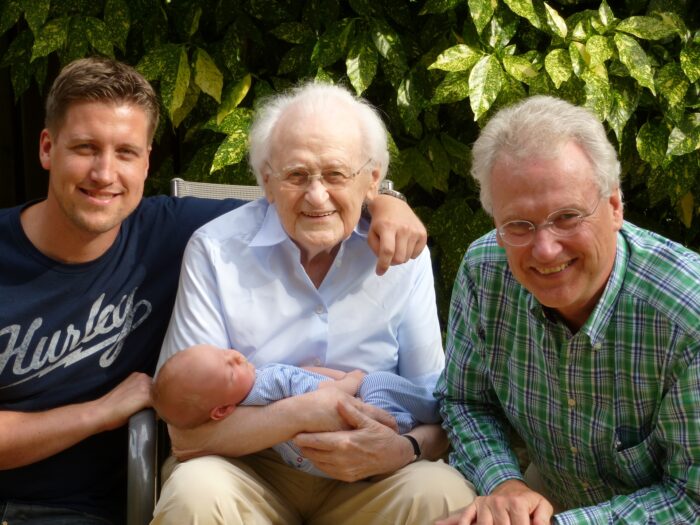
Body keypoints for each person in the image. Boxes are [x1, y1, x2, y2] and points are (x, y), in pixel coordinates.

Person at [0, 56, 429, 524]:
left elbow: (312, 199)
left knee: (438, 493)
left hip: (92, 512)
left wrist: (387, 200)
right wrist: (102, 412)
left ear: (147, 162)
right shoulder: (209, 243)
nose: (104, 174)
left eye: (125, 152)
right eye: (85, 147)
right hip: (29, 499)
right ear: (46, 148)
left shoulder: (173, 231)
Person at [152, 82, 475, 524]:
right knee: (195, 493)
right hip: (249, 469)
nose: (316, 196)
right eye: (296, 175)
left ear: (373, 180)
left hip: (372, 478)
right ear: (266, 180)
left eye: (336, 175)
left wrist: (404, 449)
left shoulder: (403, 256)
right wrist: (302, 412)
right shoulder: (216, 250)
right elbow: (186, 436)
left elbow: (439, 410)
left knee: (443, 493)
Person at [435, 95, 700, 524]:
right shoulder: (484, 271)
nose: (544, 249)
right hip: (550, 495)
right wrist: (504, 485)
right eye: (518, 224)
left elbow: (692, 498)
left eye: (567, 216)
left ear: (614, 207)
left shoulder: (688, 316)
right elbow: (465, 399)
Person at [152, 344, 442, 476]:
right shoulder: (268, 380)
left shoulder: (236, 412)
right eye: (229, 371)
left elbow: (306, 372)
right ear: (221, 410)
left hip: (318, 465)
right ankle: (437, 406)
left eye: (225, 353)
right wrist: (352, 380)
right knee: (377, 382)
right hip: (368, 422)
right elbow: (325, 396)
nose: (238, 357)